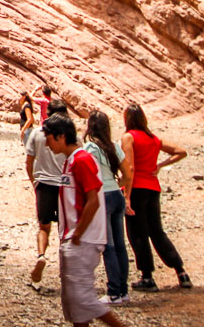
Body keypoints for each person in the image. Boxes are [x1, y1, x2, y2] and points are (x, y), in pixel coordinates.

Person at [43, 112, 127, 327]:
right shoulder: (71, 161)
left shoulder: (81, 159)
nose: (46, 143)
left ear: (61, 136)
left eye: (49, 137)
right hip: (75, 238)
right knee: (74, 304)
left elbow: (93, 199)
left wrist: (78, 233)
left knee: (83, 300)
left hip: (82, 239)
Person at [121, 104, 191, 290]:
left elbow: (131, 167)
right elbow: (181, 152)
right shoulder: (153, 139)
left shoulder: (129, 137)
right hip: (153, 189)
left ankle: (147, 278)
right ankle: (181, 271)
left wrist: (126, 196)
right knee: (157, 231)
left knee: (137, 233)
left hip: (137, 188)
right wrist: (160, 165)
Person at [86, 110, 131, 304]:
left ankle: (113, 292)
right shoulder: (113, 147)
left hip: (102, 196)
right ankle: (123, 291)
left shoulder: (90, 147)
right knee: (120, 245)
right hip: (116, 195)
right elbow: (128, 174)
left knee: (109, 246)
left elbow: (90, 175)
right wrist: (117, 184)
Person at [27, 99, 70, 282]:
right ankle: (66, 267)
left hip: (43, 184)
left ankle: (41, 255)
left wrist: (34, 183)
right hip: (65, 186)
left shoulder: (37, 133)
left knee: (44, 227)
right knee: (65, 229)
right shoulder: (71, 135)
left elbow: (29, 162)